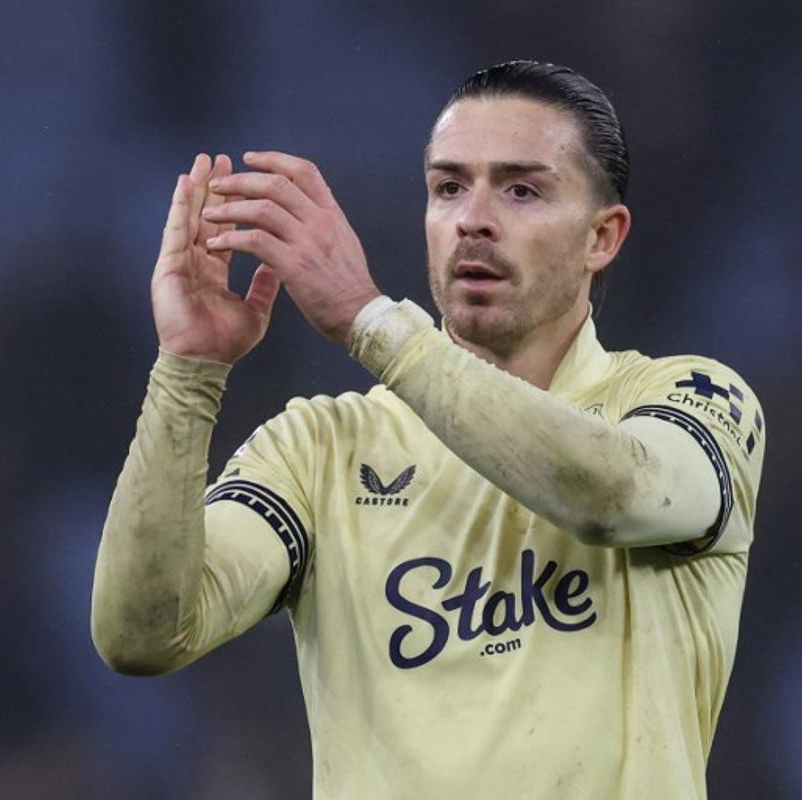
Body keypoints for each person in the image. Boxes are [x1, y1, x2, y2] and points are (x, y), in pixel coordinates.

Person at [91, 60, 766, 799]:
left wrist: (368, 321)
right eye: (449, 187)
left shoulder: (694, 400)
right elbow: (143, 637)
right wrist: (188, 373)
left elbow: (612, 494)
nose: (473, 218)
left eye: (521, 189)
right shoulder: (321, 449)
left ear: (602, 237)